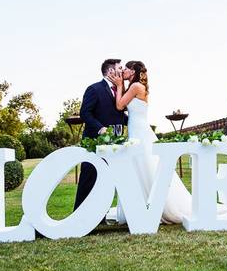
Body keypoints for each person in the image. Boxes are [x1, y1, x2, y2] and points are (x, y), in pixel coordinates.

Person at [110, 60, 193, 224]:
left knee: (145, 165)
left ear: (132, 71)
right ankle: (143, 205)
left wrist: (119, 85)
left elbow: (119, 105)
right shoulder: (136, 87)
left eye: (126, 68)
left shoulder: (135, 87)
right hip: (136, 129)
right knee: (140, 167)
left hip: (139, 132)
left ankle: (155, 206)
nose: (123, 71)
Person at [74, 58, 128, 211]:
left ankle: (99, 214)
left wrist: (134, 120)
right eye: (120, 67)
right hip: (94, 141)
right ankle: (80, 213)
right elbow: (85, 113)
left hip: (114, 143)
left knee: (106, 179)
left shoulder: (119, 90)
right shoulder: (94, 89)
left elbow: (117, 114)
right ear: (111, 71)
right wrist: (100, 128)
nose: (122, 70)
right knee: (89, 177)